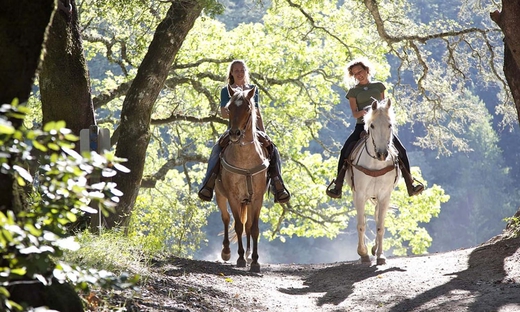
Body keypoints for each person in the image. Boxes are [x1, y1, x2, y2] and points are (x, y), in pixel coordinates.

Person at [326, 58, 424, 198]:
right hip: (362, 126)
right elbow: (355, 114)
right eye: (355, 74)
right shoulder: (353, 92)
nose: (358, 75)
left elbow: (384, 107)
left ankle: (410, 183)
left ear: (366, 70)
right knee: (345, 150)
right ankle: (338, 185)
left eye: (360, 71)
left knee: (401, 150)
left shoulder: (379, 86)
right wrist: (367, 112)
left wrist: (379, 114)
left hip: (380, 126)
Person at [198, 60, 291, 203]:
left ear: (245, 72)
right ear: (231, 73)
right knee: (217, 148)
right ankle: (208, 184)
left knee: (273, 149)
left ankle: (277, 184)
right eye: (236, 70)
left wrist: (264, 132)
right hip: (234, 129)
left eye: (242, 70)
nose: (239, 73)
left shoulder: (253, 89)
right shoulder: (226, 90)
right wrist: (238, 109)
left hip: (252, 130)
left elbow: (257, 112)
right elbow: (223, 113)